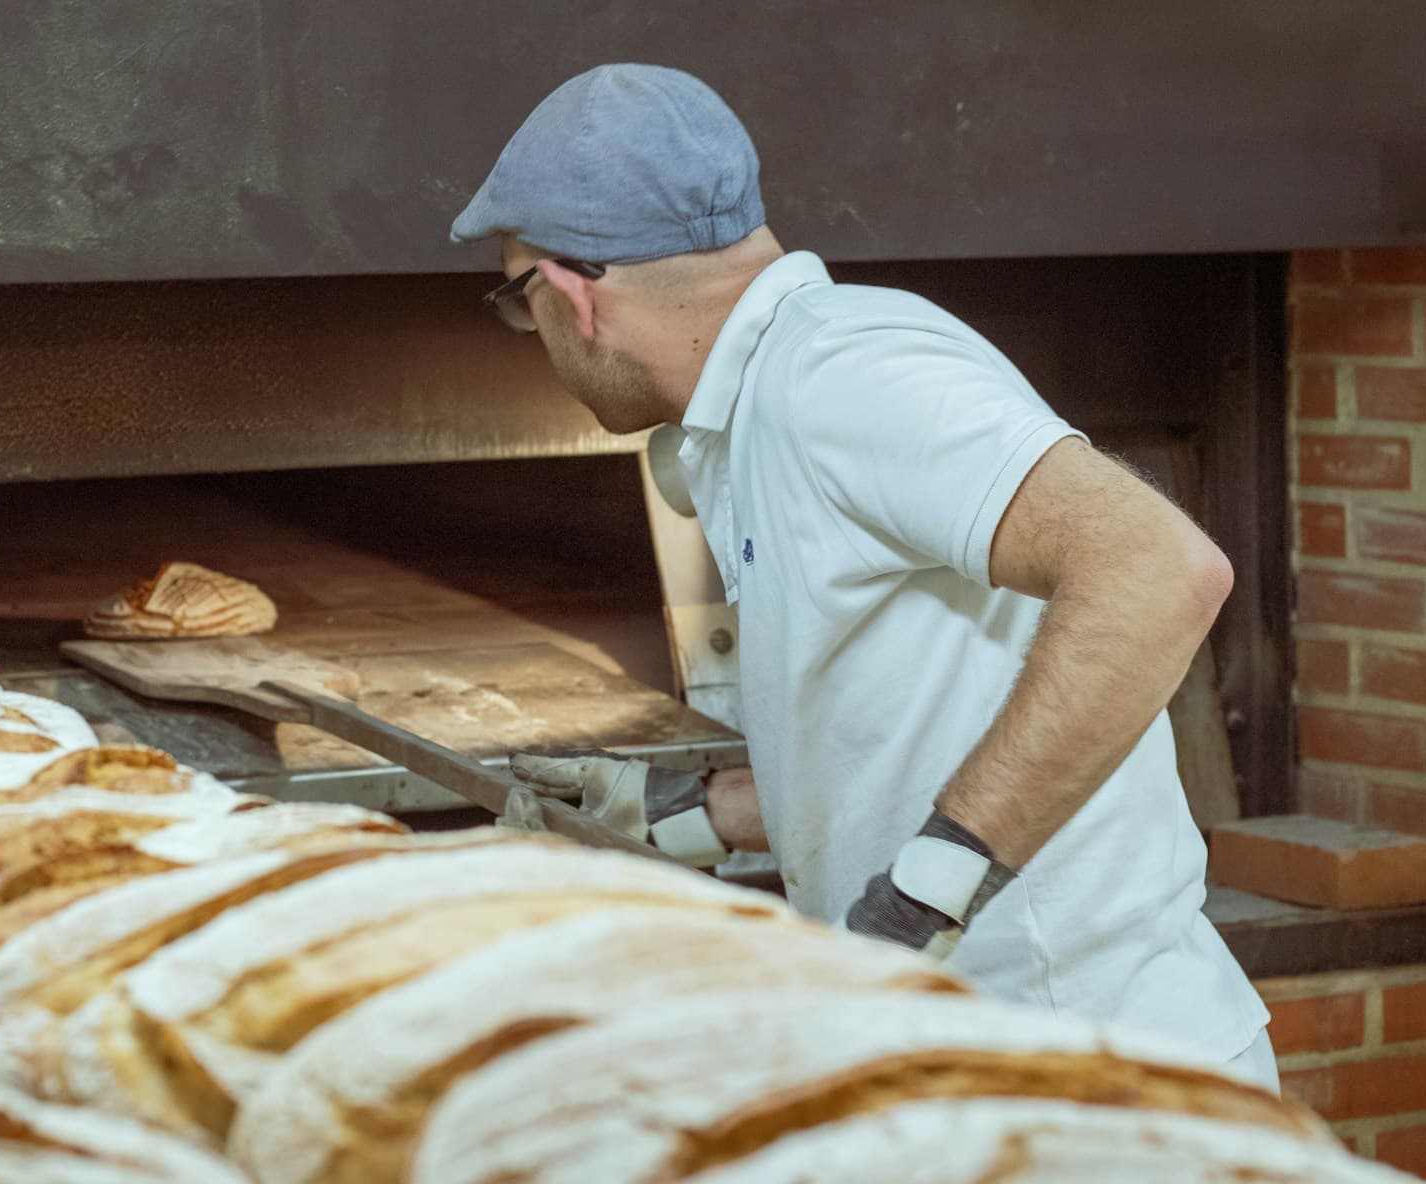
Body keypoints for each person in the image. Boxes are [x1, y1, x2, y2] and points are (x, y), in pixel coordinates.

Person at [450, 63, 1275, 1090]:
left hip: (1088, 1073)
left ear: (573, 295)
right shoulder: (761, 402)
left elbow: (1161, 566)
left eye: (518, 299)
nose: (534, 334)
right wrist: (685, 809)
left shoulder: (843, 375)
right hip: (974, 1062)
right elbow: (909, 716)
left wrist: (926, 891)